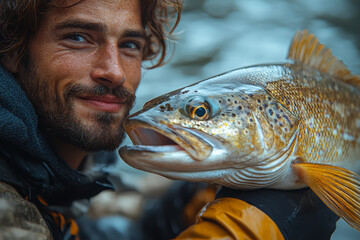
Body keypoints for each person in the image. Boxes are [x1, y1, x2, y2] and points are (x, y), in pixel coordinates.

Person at [0, 0, 339, 239]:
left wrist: (169, 212)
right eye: (78, 37)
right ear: (14, 50)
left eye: (130, 44)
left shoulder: (75, 179)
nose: (115, 71)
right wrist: (240, 233)